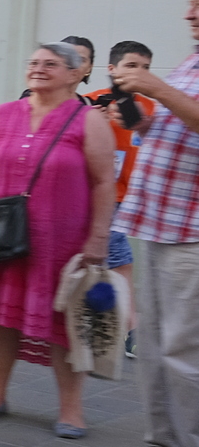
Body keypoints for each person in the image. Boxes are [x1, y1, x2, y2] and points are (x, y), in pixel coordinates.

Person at [0, 42, 117, 437]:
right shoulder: (3, 114)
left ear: (76, 73)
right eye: (33, 63)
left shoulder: (88, 120)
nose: (38, 69)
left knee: (65, 322)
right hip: (3, 237)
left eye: (51, 64)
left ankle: (71, 410)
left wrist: (98, 237)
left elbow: (103, 182)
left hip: (62, 243)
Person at [106, 0, 199, 447]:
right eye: (190, 3)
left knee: (186, 351)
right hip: (161, 221)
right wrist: (137, 117)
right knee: (157, 347)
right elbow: (178, 125)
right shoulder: (192, 61)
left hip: (192, 230)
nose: (188, 12)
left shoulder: (176, 74)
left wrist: (156, 89)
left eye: (198, 5)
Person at [93, 39, 157, 287]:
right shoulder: (90, 102)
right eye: (131, 65)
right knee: (116, 259)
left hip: (129, 197)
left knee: (117, 259)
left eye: (145, 67)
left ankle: (118, 318)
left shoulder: (152, 108)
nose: (138, 73)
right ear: (111, 69)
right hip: (96, 195)